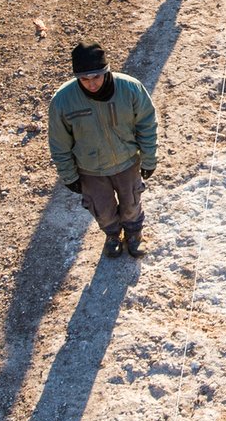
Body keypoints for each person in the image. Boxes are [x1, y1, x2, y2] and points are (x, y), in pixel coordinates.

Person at [48, 43, 158, 259]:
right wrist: (69, 176)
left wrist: (149, 159)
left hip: (127, 163)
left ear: (106, 70)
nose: (92, 84)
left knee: (131, 204)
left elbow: (147, 124)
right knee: (102, 210)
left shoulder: (130, 88)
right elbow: (59, 144)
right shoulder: (62, 101)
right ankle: (112, 236)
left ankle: (134, 234)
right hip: (91, 171)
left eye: (96, 77)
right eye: (85, 79)